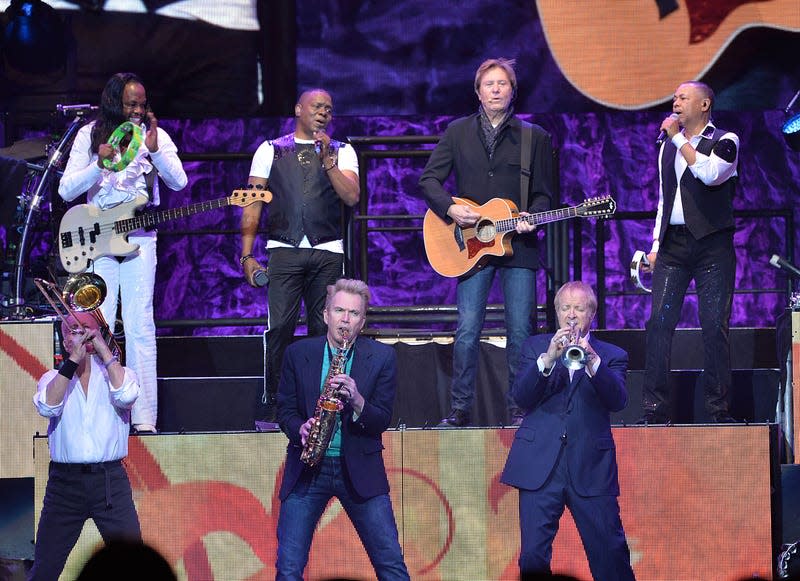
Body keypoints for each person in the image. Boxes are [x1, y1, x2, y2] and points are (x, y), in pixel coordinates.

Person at [419, 57, 555, 427]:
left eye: (503, 84)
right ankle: (460, 409)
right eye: (489, 84)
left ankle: (519, 409)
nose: (496, 89)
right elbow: (429, 181)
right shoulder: (457, 133)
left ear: (513, 91)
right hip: (469, 244)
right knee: (467, 330)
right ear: (478, 92)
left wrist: (532, 217)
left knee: (521, 331)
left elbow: (545, 195)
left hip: (518, 248)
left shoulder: (534, 137)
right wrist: (451, 209)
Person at [58, 72, 188, 433]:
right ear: (115, 103)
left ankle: (145, 419)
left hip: (141, 239)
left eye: (142, 104)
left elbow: (179, 182)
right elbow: (67, 190)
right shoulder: (91, 135)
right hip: (99, 241)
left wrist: (156, 148)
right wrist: (97, 165)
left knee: (140, 325)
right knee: (98, 325)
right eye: (131, 103)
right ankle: (102, 415)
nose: (137, 110)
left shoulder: (154, 137)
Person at [275, 278, 409, 580]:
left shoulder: (382, 357)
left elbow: (382, 419)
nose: (345, 320)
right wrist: (301, 428)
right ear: (325, 315)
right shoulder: (298, 353)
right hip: (308, 469)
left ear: (362, 321)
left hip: (360, 471)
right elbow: (284, 409)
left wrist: (358, 399)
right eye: (339, 311)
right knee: (288, 569)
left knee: (391, 566)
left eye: (353, 313)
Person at [240, 88, 359, 423]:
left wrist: (329, 162)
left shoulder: (343, 151)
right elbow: (252, 202)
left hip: (327, 251)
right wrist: (246, 255)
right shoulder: (270, 150)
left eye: (329, 109)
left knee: (324, 331)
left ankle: (320, 404)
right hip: (284, 249)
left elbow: (351, 196)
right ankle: (276, 403)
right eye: (316, 106)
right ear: (298, 109)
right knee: (280, 327)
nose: (323, 113)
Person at [501, 281, 636, 580]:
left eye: (579, 308)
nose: (571, 315)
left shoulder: (612, 355)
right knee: (533, 557)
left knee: (610, 554)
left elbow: (618, 400)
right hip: (540, 467)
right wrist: (548, 359)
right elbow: (521, 398)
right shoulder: (534, 347)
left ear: (592, 314)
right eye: (565, 308)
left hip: (590, 468)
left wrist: (592, 361)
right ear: (556, 312)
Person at [639, 80, 739, 424]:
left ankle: (718, 409)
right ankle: (655, 409)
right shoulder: (667, 148)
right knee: (659, 323)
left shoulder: (726, 141)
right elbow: (664, 199)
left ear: (705, 104)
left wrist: (678, 139)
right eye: (675, 97)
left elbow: (710, 175)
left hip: (712, 246)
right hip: (673, 247)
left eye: (683, 97)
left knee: (713, 325)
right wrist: (655, 246)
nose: (675, 102)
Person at [29, 311, 141, 581]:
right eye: (71, 330)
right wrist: (72, 362)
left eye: (85, 329)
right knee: (45, 568)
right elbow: (47, 406)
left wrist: (103, 349)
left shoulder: (120, 374)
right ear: (64, 338)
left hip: (109, 483)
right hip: (65, 487)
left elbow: (127, 396)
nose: (78, 335)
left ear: (98, 332)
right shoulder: (52, 378)